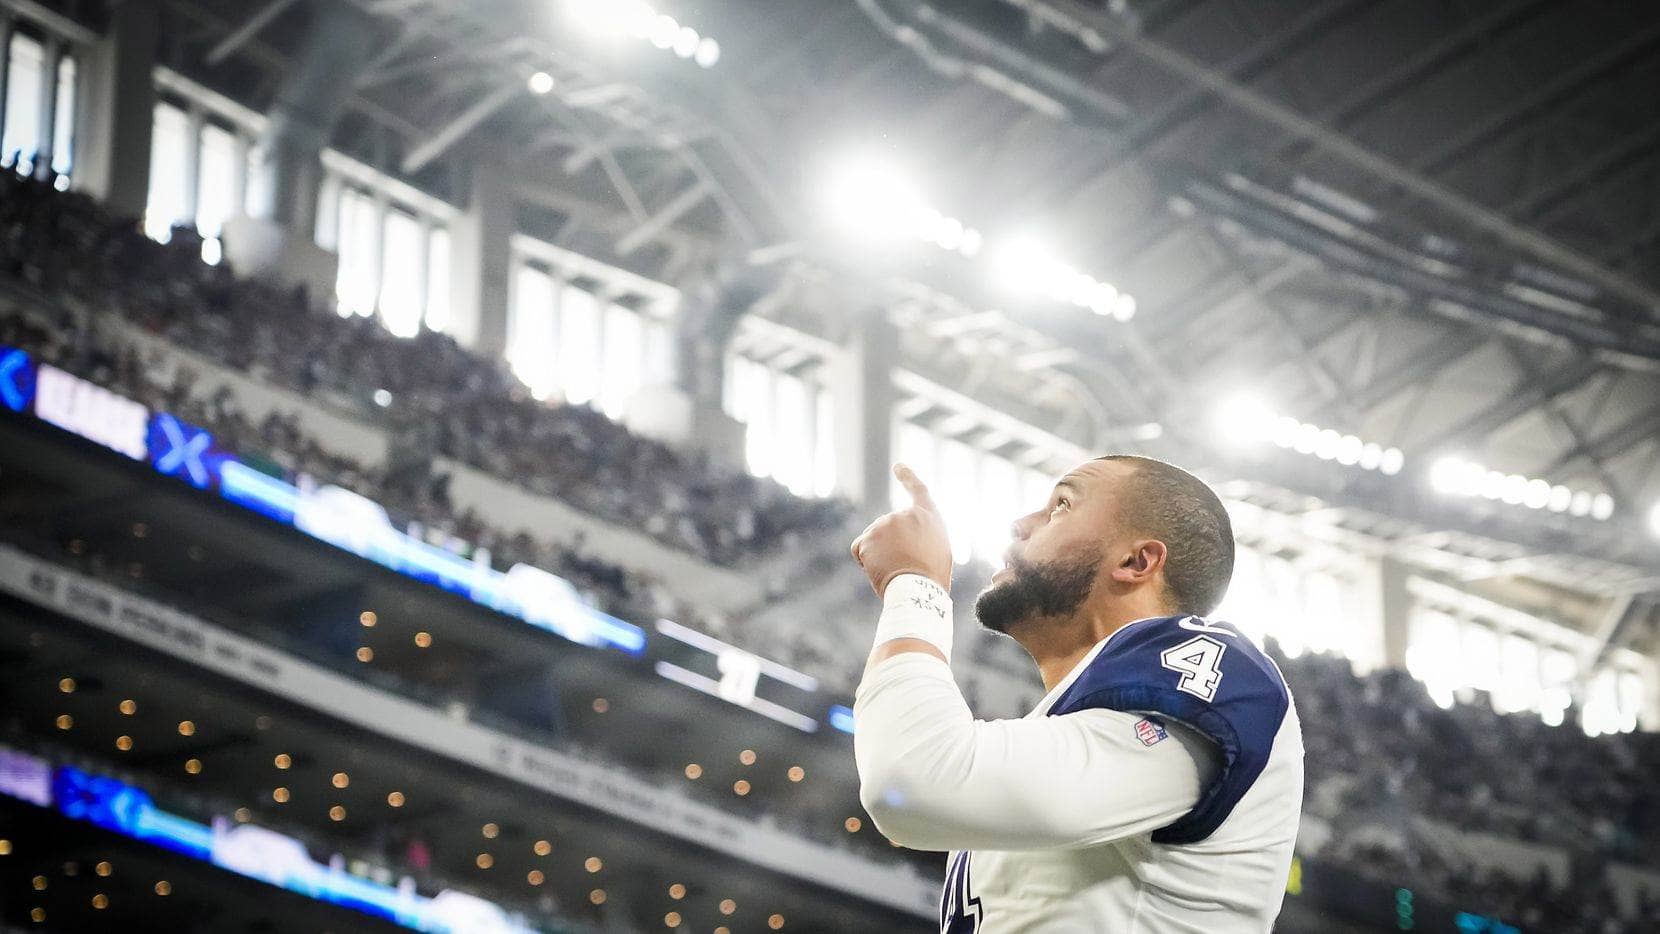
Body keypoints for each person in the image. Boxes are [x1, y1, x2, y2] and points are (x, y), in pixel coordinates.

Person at [850, 456, 1302, 932]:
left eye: (1061, 505)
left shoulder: (1214, 665)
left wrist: (915, 586)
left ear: (1136, 561)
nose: (1022, 524)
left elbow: (911, 781)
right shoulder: (1063, 730)